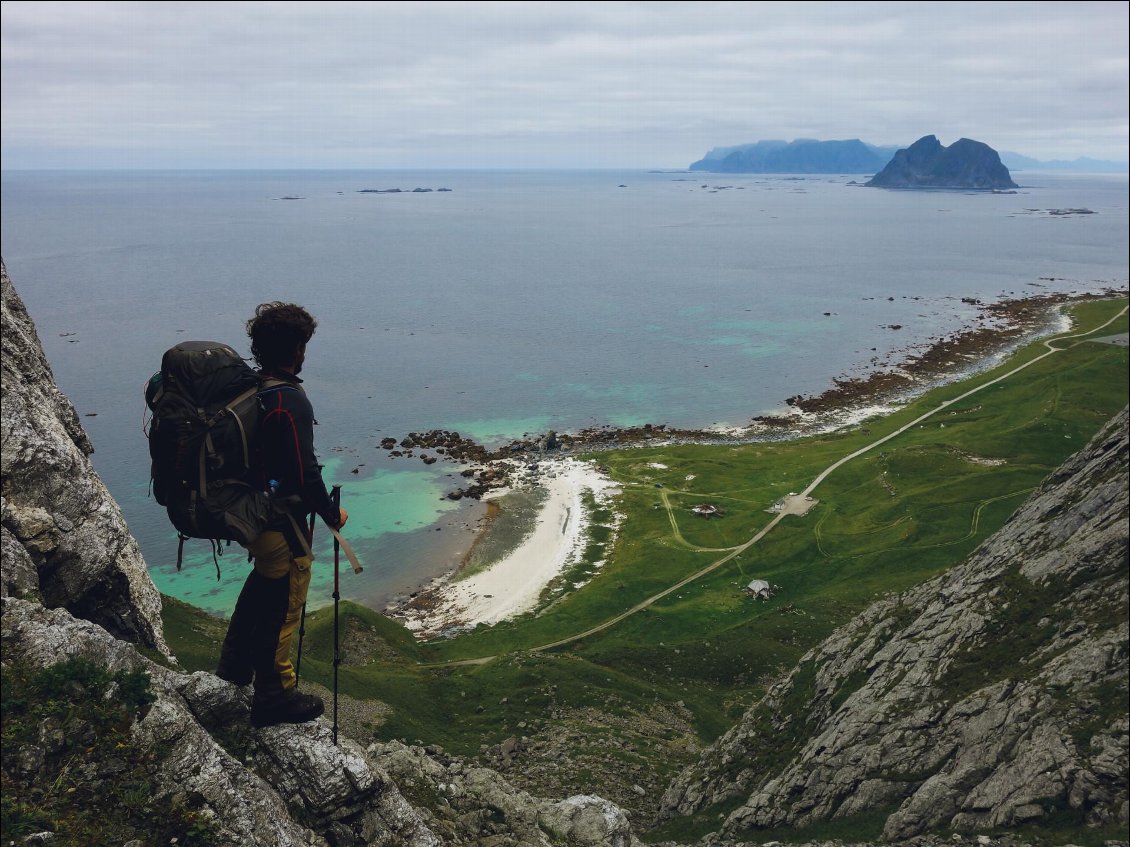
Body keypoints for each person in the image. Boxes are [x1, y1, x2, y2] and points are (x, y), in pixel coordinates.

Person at [216, 302, 349, 727]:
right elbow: (302, 470)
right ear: (296, 349)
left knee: (262, 586)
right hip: (276, 519)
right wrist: (331, 513)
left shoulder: (252, 390)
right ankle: (274, 694)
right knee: (287, 598)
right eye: (303, 344)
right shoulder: (287, 398)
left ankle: (234, 668)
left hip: (244, 513)